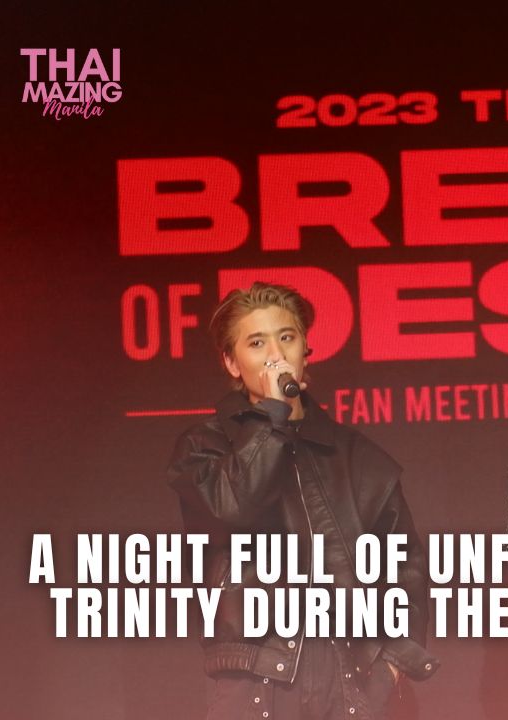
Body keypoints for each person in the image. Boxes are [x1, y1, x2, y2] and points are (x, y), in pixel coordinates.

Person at [167, 282, 438, 720]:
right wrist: (273, 417)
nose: (275, 355)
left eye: (286, 337)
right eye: (257, 343)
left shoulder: (358, 456)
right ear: (232, 362)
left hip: (349, 675)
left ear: (305, 350)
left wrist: (391, 666)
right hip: (254, 676)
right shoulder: (205, 446)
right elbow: (234, 506)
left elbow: (405, 566)